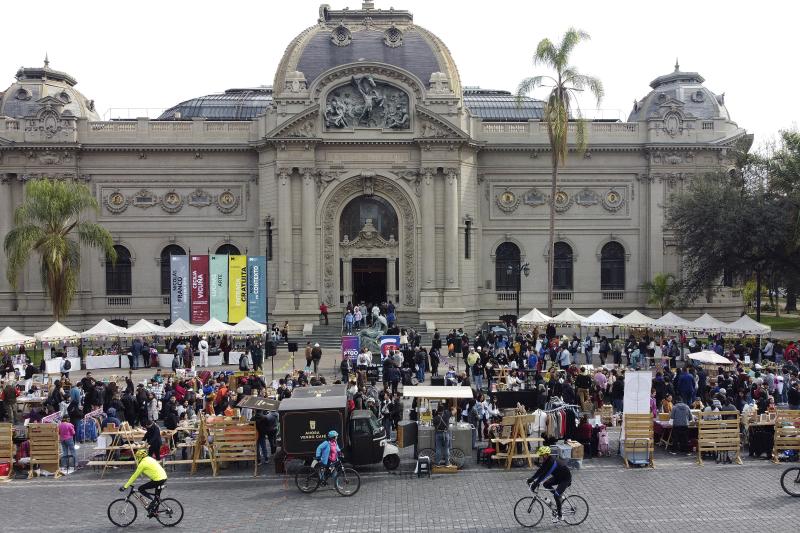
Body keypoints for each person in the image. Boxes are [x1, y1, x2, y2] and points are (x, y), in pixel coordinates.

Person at [527, 446, 572, 523]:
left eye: (541, 455)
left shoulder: (552, 462)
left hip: (565, 479)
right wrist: (532, 478)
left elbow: (545, 475)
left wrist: (535, 483)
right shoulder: (547, 461)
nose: (540, 457)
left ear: (546, 455)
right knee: (546, 484)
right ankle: (559, 497)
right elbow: (540, 470)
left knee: (556, 495)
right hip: (558, 477)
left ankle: (560, 516)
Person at [121, 448, 168, 515]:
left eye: (137, 457)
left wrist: (125, 486)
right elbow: (154, 469)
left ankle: (152, 502)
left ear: (140, 457)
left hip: (158, 479)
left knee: (141, 488)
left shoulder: (142, 464)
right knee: (157, 497)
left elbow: (134, 476)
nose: (137, 458)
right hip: (163, 477)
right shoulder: (150, 458)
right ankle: (154, 511)